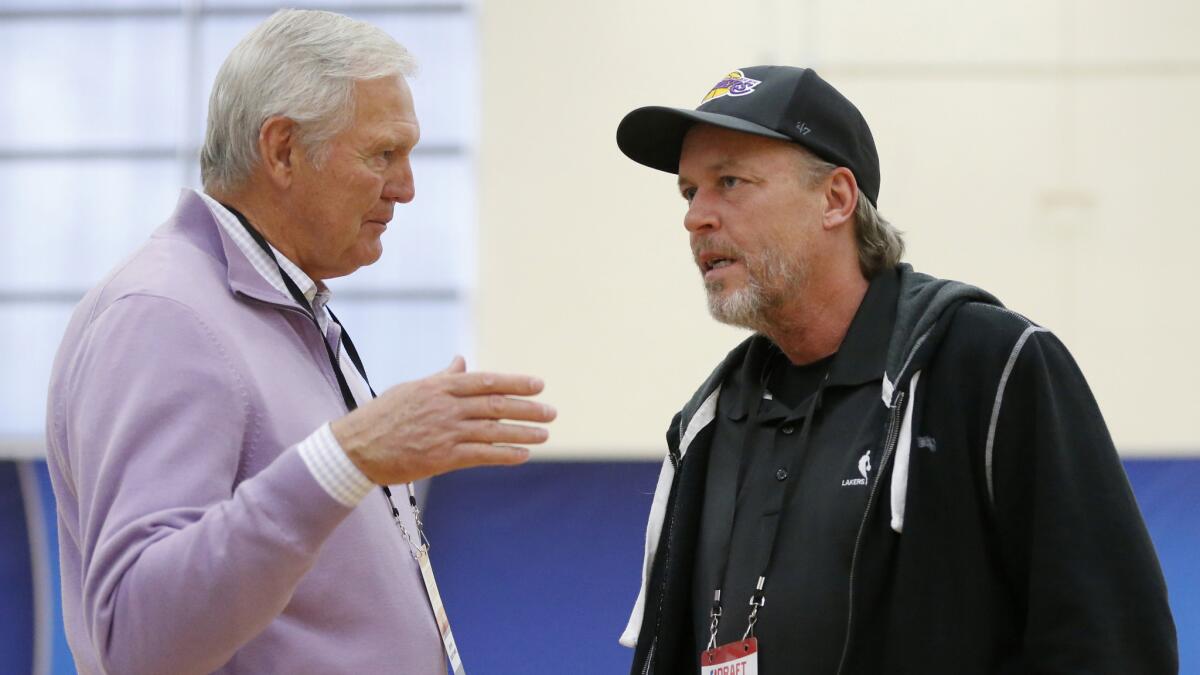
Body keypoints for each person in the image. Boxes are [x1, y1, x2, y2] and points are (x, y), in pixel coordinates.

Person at [615, 66, 1177, 674]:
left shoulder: (989, 367)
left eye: (729, 180)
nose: (696, 217)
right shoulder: (706, 424)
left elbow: (1115, 643)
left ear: (835, 199)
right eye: (689, 191)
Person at [44, 10, 556, 674]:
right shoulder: (165, 315)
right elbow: (141, 641)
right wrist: (346, 457)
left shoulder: (280, 307)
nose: (406, 188)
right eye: (383, 154)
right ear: (282, 149)